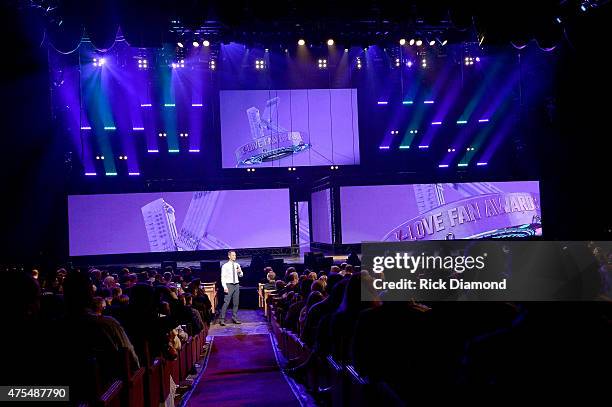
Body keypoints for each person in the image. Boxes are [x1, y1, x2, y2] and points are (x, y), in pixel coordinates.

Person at [219, 250, 243, 326]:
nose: (234, 257)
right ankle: (222, 319)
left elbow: (241, 275)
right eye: (233, 255)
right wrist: (225, 287)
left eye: (235, 255)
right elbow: (223, 277)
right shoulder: (225, 266)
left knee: (236, 302)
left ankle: (234, 318)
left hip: (236, 285)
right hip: (229, 285)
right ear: (229, 256)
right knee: (226, 302)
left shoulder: (237, 264)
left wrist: (239, 272)